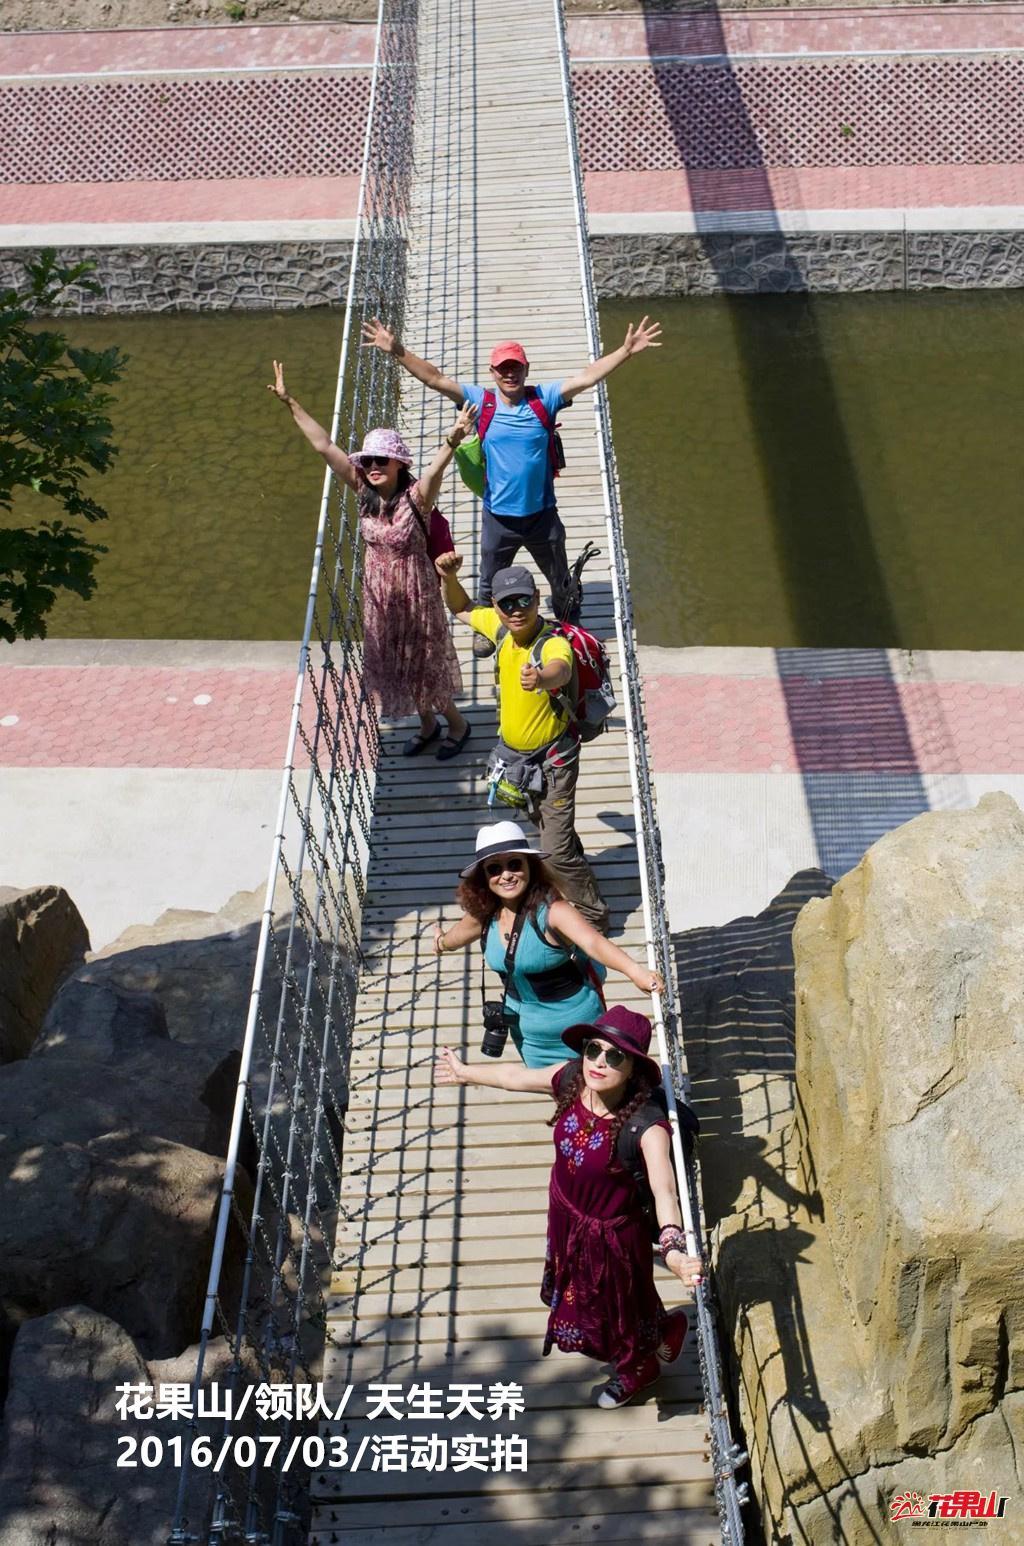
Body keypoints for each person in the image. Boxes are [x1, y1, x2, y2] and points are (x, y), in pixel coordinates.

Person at [436, 1005, 703, 1409]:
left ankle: (639, 1367)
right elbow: (515, 1077)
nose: (599, 1062)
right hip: (566, 1216)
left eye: (615, 1056)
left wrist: (674, 1251)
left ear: (634, 1068)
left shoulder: (647, 1127)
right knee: (606, 1299)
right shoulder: (571, 1079)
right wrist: (465, 1072)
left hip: (612, 1236)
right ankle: (664, 1330)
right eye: (593, 1049)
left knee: (612, 1307)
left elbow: (664, 1191)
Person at [361, 317, 662, 652]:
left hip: (542, 515)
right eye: (503, 368)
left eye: (515, 367)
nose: (510, 374)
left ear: (526, 369)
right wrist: (396, 349)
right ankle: (486, 626)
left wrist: (625, 351)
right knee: (488, 578)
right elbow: (435, 378)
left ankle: (568, 618)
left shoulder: (544, 399)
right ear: (492, 372)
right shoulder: (481, 402)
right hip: (498, 517)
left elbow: (587, 377)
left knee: (559, 577)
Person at [268, 361, 473, 759]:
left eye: (382, 460)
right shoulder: (362, 490)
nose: (374, 466)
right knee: (397, 661)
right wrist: (290, 402)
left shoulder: (417, 498)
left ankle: (457, 724)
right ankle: (427, 724)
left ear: (399, 464)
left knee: (424, 662)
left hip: (416, 594)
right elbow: (324, 446)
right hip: (380, 596)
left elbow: (435, 469)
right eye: (369, 461)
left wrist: (454, 437)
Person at [434, 555, 607, 928]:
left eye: (524, 600)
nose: (517, 610)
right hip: (517, 763)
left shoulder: (551, 644)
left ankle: (594, 918)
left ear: (537, 598)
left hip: (554, 763)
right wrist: (448, 577)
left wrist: (542, 679)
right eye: (507, 603)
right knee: (549, 828)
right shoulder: (498, 629)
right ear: (496, 606)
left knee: (553, 850)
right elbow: (461, 607)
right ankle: (575, 870)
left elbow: (561, 669)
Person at [435, 821, 664, 1067]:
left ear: (530, 866)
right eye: (494, 868)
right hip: (528, 1037)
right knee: (550, 1090)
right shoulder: (484, 914)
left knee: (591, 1089)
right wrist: (440, 942)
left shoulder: (553, 911)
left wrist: (635, 972)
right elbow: (453, 939)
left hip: (577, 1030)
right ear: (484, 877)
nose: (506, 875)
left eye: (514, 864)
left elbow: (593, 942)